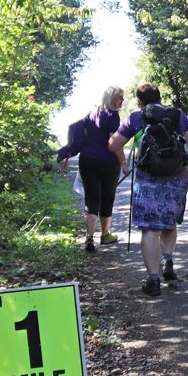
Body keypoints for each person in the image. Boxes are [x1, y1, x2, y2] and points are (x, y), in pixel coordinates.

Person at [109, 83, 188, 297]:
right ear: (160, 97)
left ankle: (153, 280)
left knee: (149, 228)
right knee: (169, 219)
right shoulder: (177, 115)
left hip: (147, 176)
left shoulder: (136, 118)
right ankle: (167, 261)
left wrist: (126, 156)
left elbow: (113, 145)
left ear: (140, 101)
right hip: (176, 174)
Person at [56, 86, 128, 252]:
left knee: (91, 198)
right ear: (111, 98)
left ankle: (89, 237)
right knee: (107, 197)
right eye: (119, 97)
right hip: (108, 163)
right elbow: (114, 142)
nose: (122, 100)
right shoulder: (112, 115)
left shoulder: (91, 113)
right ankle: (105, 235)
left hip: (87, 160)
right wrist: (124, 163)